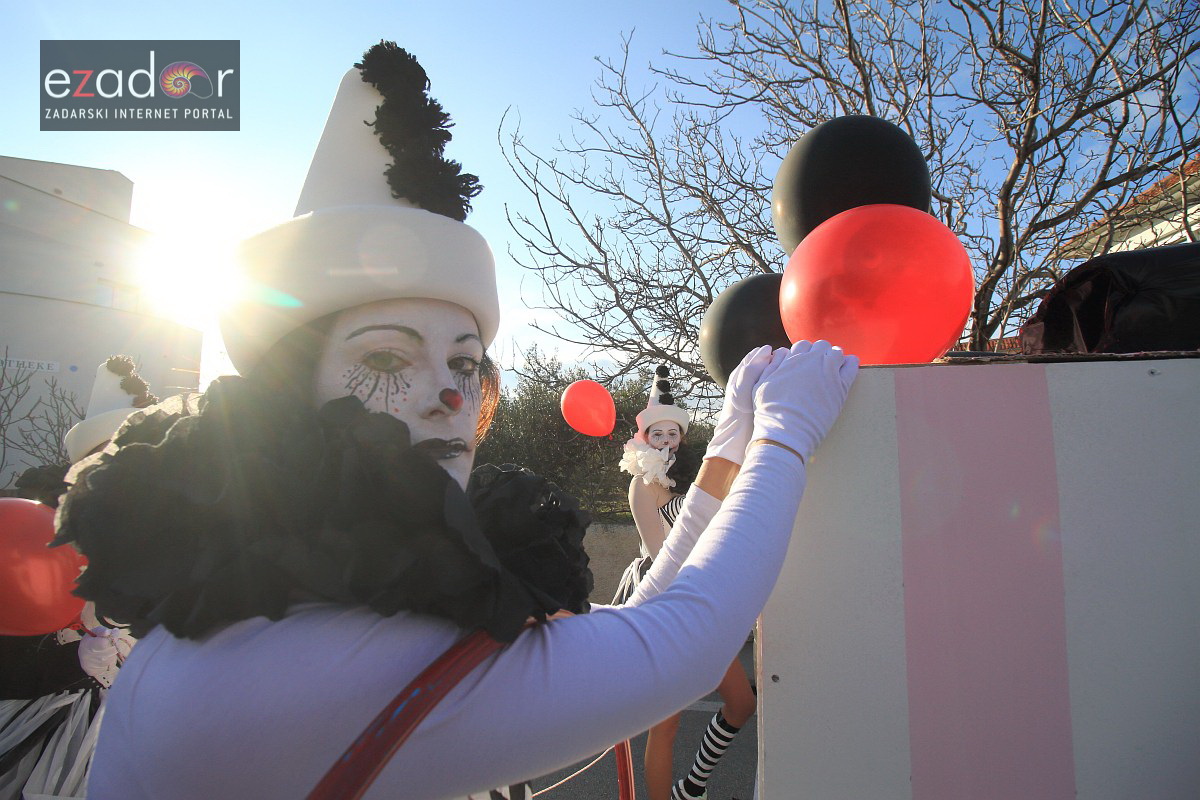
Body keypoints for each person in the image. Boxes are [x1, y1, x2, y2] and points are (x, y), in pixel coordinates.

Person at [53, 43, 859, 800]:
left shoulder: (285, 597)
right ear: (288, 390)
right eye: (384, 359)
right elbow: (675, 648)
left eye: (465, 364)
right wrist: (786, 436)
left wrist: (731, 441)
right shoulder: (304, 659)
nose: (447, 393)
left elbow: (647, 624)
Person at [0, 357, 149, 799]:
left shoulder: (168, 544)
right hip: (41, 735)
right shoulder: (36, 534)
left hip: (131, 730)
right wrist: (72, 662)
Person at [618, 365, 763, 800]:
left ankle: (693, 786)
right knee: (666, 726)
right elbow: (658, 552)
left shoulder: (688, 476)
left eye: (672, 434)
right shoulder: (644, 482)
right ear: (644, 437)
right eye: (657, 435)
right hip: (665, 599)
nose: (665, 442)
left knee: (742, 705)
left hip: (700, 593)